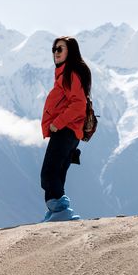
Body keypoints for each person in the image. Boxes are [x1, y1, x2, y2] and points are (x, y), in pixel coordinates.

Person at [40, 36, 91, 222]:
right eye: (54, 49)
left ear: (71, 51)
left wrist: (57, 123)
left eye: (60, 49)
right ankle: (56, 212)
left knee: (48, 174)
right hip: (68, 132)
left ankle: (61, 211)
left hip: (65, 131)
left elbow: (79, 104)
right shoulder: (64, 74)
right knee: (57, 173)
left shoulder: (70, 74)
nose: (55, 52)